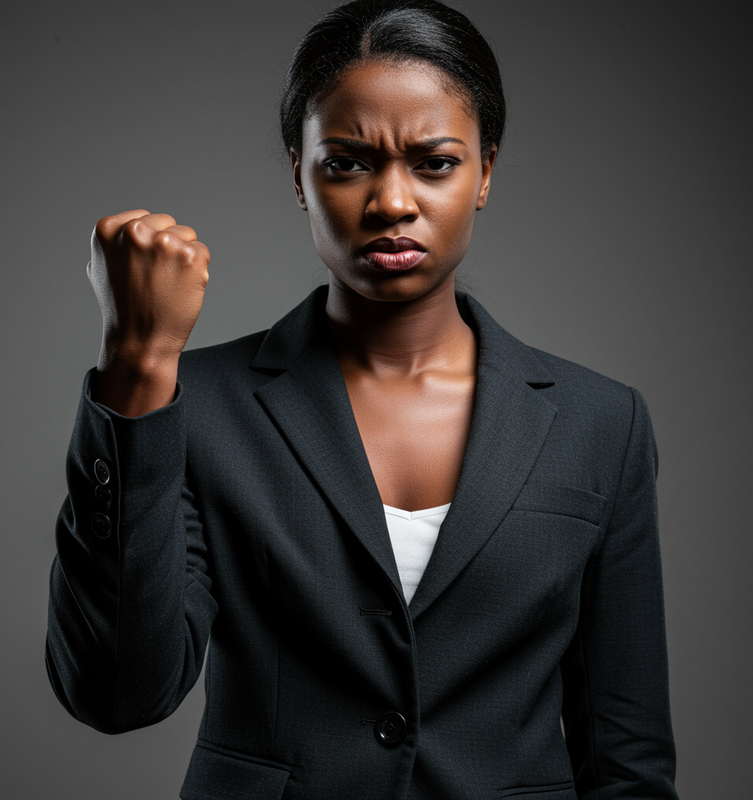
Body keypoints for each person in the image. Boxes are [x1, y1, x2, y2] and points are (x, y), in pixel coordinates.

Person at [46, 1, 679, 797]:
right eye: (346, 163)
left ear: (485, 172)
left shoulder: (601, 423)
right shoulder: (199, 407)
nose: (391, 202)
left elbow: (626, 757)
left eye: (435, 163)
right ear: (299, 176)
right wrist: (137, 364)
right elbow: (115, 694)